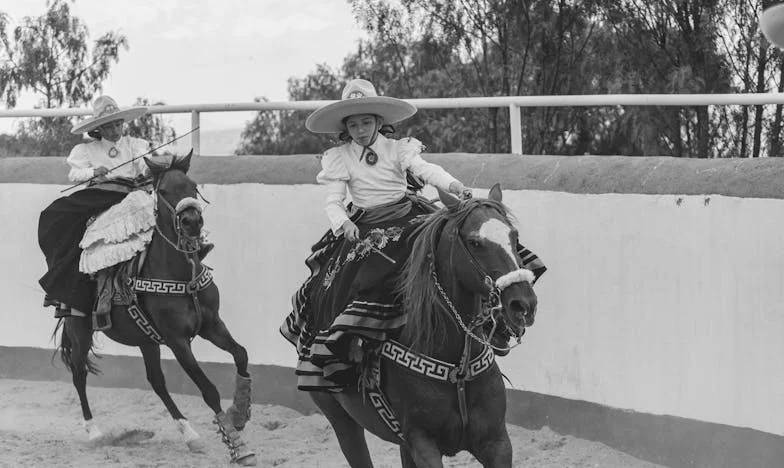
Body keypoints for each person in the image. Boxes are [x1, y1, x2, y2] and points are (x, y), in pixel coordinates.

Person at [280, 79, 545, 392]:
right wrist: (343, 223)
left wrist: (455, 186)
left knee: (465, 246)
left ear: (379, 122)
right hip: (368, 228)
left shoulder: (398, 148)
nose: (361, 130)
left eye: (366, 122)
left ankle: (493, 319)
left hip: (410, 215)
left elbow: (426, 170)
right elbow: (333, 200)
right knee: (357, 279)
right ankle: (357, 343)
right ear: (345, 128)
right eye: (354, 125)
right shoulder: (340, 157)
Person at [38, 96, 210, 319]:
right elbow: (74, 173)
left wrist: (148, 168)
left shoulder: (135, 145)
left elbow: (143, 163)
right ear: (99, 128)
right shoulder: (86, 150)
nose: (114, 130)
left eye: (117, 124)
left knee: (166, 212)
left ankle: (193, 246)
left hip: (134, 193)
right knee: (71, 226)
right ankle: (91, 289)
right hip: (101, 196)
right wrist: (92, 172)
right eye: (108, 126)